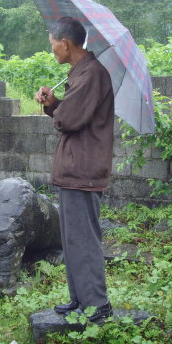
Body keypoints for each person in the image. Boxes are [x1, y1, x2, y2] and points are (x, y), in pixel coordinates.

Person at [34, 17, 115, 322]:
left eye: (52, 43)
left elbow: (68, 120)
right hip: (74, 170)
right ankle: (80, 299)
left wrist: (55, 106)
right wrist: (54, 103)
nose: (52, 48)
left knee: (84, 239)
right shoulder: (81, 74)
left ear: (65, 43)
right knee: (71, 239)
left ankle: (97, 305)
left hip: (83, 170)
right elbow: (72, 114)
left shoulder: (91, 74)